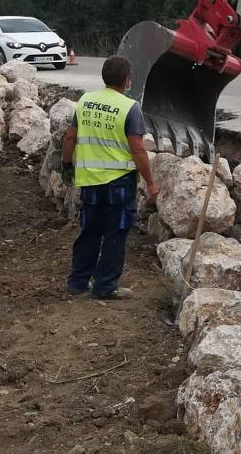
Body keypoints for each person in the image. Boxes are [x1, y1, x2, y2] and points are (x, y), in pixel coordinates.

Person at [60, 55, 159, 299]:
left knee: (90, 231)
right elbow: (137, 148)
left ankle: (78, 282)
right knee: (116, 233)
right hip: (119, 183)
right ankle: (105, 287)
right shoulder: (130, 107)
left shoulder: (85, 102)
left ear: (104, 77)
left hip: (90, 181)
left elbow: (70, 136)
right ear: (127, 80)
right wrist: (151, 182)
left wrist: (65, 163)